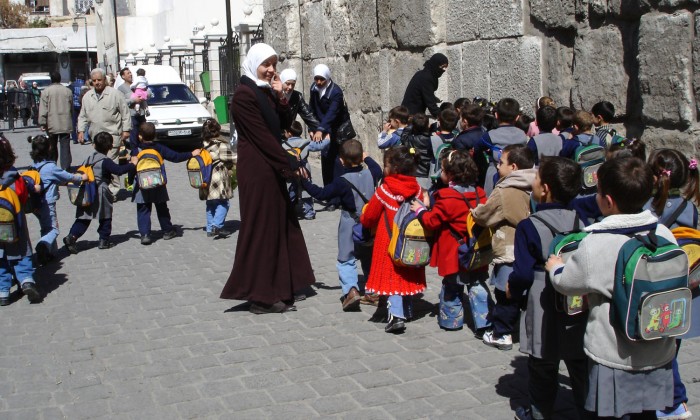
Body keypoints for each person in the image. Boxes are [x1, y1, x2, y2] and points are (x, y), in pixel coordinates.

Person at [548, 157, 676, 419]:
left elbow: (568, 283)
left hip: (614, 353)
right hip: (657, 346)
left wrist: (555, 267)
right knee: (646, 412)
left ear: (607, 200)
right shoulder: (664, 233)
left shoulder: (597, 243)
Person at [219, 43, 315, 314]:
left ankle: (283, 285)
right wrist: (290, 162)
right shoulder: (244, 96)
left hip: (270, 165)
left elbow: (282, 126)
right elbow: (263, 136)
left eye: (274, 64)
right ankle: (261, 296)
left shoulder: (263, 91)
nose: (271, 69)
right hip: (258, 169)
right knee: (261, 229)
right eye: (266, 64)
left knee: (281, 225)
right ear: (253, 64)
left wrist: (280, 97)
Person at [508, 157, 588, 420]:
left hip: (542, 299)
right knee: (579, 361)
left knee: (543, 363)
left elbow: (521, 272)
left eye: (537, 178)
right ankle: (589, 410)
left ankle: (539, 412)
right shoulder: (581, 219)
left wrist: (513, 291)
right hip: (576, 296)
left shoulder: (529, 226)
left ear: (546, 189)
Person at [644, 149, 699, 420]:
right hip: (684, 288)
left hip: (658, 289)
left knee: (661, 351)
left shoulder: (648, 209)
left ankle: (675, 403)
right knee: (671, 347)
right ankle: (674, 402)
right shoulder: (690, 208)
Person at [411, 150, 492, 334]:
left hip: (454, 253)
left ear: (450, 174)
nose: (440, 173)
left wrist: (420, 210)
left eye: (442, 170)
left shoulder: (446, 197)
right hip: (476, 249)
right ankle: (484, 320)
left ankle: (451, 321)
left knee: (452, 286)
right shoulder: (480, 194)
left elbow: (432, 221)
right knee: (477, 284)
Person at [301, 139, 382, 311]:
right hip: (369, 223)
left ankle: (351, 290)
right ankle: (373, 290)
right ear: (361, 157)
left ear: (341, 161)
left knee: (346, 258)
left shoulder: (341, 181)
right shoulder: (372, 173)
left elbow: (321, 194)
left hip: (349, 223)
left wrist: (304, 182)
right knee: (369, 257)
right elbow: (377, 168)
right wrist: (366, 158)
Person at [472, 144, 537, 350]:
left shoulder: (504, 190)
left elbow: (485, 215)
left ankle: (502, 333)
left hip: (510, 246)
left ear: (514, 167)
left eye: (501, 163)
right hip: (532, 248)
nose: (498, 166)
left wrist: (473, 212)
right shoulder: (537, 184)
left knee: (505, 293)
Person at [360, 146, 429, 333]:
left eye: (385, 165)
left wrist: (363, 218)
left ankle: (396, 316)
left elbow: (370, 217)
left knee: (392, 278)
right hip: (411, 241)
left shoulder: (385, 190)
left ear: (394, 168)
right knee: (406, 271)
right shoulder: (418, 189)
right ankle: (407, 310)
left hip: (388, 240)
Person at [63, 132, 135, 254]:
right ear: (111, 146)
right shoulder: (106, 161)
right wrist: (132, 165)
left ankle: (72, 236)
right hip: (101, 191)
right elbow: (118, 170)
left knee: (84, 218)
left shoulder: (89, 158)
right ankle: (103, 240)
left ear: (94, 145)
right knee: (105, 216)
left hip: (86, 191)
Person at [132, 122, 197, 245]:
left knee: (143, 209)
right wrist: (191, 154)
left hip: (142, 184)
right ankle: (167, 230)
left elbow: (131, 167)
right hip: (158, 183)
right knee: (162, 207)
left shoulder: (136, 150)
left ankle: (145, 234)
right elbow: (175, 157)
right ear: (155, 135)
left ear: (140, 136)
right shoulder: (159, 148)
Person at [28, 135, 85, 266]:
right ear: (49, 148)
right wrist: (81, 177)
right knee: (54, 229)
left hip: (35, 203)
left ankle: (50, 253)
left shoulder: (33, 166)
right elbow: (68, 176)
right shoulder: (50, 167)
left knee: (45, 227)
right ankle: (42, 246)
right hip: (47, 203)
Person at [0, 135, 40, 306]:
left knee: (1, 256)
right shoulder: (14, 176)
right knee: (21, 249)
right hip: (14, 220)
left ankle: (3, 291)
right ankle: (26, 280)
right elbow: (23, 196)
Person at [77, 68, 131, 195]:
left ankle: (113, 191)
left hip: (112, 135)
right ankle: (102, 186)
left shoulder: (115, 94)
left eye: (99, 80)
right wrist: (80, 130)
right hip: (96, 136)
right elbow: (83, 116)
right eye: (94, 80)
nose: (97, 83)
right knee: (100, 162)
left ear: (104, 80)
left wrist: (126, 129)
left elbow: (125, 112)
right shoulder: (87, 97)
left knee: (111, 161)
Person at [309, 64, 352, 188]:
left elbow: (332, 113)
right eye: (316, 78)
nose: (319, 82)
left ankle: (339, 195)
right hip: (322, 129)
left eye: (322, 79)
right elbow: (311, 109)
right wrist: (312, 128)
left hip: (336, 131)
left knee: (337, 163)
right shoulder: (314, 88)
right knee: (326, 161)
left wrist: (321, 129)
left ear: (327, 78)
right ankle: (329, 193)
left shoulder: (336, 92)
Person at [477, 98, 528, 196]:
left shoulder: (490, 135)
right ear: (517, 117)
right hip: (517, 175)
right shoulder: (522, 135)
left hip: (494, 176)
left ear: (496, 115)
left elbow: (477, 148)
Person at [283, 120, 329, 220]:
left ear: (289, 133)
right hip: (304, 170)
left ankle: (288, 212)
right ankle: (309, 212)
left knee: (291, 190)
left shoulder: (283, 145)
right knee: (306, 190)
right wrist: (328, 139)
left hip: (291, 171)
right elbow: (319, 146)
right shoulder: (306, 143)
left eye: (285, 131)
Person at [199, 119, 236, 237]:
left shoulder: (203, 145)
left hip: (206, 178)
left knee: (210, 204)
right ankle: (217, 225)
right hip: (218, 179)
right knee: (224, 203)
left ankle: (210, 228)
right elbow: (235, 158)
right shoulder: (221, 145)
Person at [39, 71, 75, 170]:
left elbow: (43, 109)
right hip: (65, 122)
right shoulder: (67, 91)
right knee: (65, 147)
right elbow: (71, 108)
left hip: (51, 123)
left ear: (51, 79)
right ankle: (65, 167)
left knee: (51, 146)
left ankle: (52, 166)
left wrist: (42, 122)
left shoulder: (46, 91)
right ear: (60, 79)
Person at [401, 53, 449, 118]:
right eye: (442, 67)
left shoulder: (425, 74)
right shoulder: (427, 78)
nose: (444, 70)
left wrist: (433, 98)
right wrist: (442, 116)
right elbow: (430, 103)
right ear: (436, 64)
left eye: (445, 67)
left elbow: (424, 92)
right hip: (411, 115)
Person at [400, 112, 433, 190]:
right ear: (427, 125)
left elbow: (403, 137)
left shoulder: (411, 140)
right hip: (427, 173)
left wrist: (411, 125)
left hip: (414, 173)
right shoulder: (432, 139)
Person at [279, 68, 319, 132]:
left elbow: (308, 115)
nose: (290, 87)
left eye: (293, 84)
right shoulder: (273, 94)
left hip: (289, 134)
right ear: (282, 82)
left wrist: (321, 129)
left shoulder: (297, 97)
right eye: (287, 84)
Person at [117, 67, 146, 155]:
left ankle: (145, 153)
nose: (130, 74)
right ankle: (135, 155)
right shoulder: (121, 88)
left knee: (143, 136)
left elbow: (148, 92)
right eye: (128, 73)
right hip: (131, 115)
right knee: (133, 137)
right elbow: (121, 102)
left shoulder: (137, 84)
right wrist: (133, 100)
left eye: (130, 73)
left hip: (141, 113)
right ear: (123, 76)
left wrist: (145, 94)